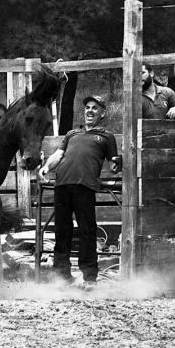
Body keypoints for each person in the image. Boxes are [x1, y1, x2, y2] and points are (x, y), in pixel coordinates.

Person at [38, 95, 121, 291]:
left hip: (85, 186)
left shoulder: (107, 136)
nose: (89, 111)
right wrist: (46, 168)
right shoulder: (72, 134)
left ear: (102, 113)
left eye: (94, 108)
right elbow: (58, 155)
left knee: (87, 231)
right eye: (87, 108)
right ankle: (62, 278)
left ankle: (90, 278)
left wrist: (118, 163)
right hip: (62, 185)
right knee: (61, 231)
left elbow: (113, 164)